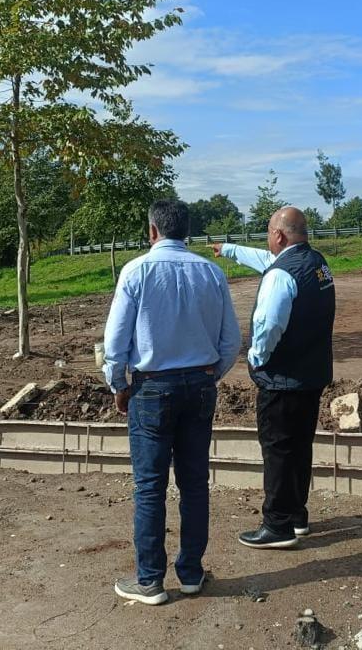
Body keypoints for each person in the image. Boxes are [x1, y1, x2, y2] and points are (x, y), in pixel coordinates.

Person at [103, 199, 242, 605]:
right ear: (187, 232)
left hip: (152, 389)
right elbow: (231, 340)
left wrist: (118, 385)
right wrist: (209, 377)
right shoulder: (212, 273)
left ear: (152, 231)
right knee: (195, 484)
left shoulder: (136, 271)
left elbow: (115, 343)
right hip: (199, 387)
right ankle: (192, 573)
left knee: (150, 487)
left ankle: (150, 581)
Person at [211, 206, 335, 549]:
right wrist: (231, 250)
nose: (267, 241)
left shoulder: (281, 275)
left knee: (278, 449)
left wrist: (256, 357)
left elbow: (267, 324)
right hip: (311, 375)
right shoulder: (315, 263)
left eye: (268, 233)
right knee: (299, 447)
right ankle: (296, 515)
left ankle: (276, 525)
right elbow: (267, 260)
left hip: (282, 379)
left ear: (278, 236)